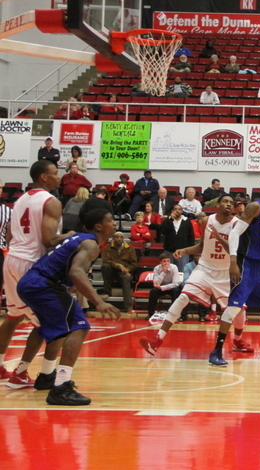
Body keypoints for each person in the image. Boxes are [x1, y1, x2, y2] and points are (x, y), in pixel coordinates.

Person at [16, 209, 120, 404]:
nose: (114, 223)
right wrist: (98, 302)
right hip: (44, 285)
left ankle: (47, 376)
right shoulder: (90, 244)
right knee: (79, 327)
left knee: (55, 329)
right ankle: (61, 387)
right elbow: (76, 272)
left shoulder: (79, 238)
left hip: (31, 282)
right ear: (99, 226)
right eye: (110, 220)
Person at [140, 196, 253, 354]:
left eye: (231, 203)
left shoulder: (236, 224)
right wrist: (184, 250)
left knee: (239, 308)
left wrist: (219, 237)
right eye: (225, 201)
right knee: (183, 297)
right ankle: (157, 340)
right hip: (204, 268)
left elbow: (233, 250)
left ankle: (237, 341)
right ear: (218, 204)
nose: (229, 204)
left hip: (224, 271)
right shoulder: (207, 221)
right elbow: (201, 246)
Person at [0, 161, 74, 389]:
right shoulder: (51, 201)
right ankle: (22, 373)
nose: (59, 177)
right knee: (50, 321)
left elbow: (10, 235)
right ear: (43, 177)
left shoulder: (19, 200)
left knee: (13, 316)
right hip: (31, 263)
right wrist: (72, 236)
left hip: (12, 258)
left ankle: (1, 366)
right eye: (55, 173)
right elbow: (48, 240)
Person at [209, 178, 260, 366]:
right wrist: (233, 261)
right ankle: (216, 351)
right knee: (234, 307)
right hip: (246, 263)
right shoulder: (255, 206)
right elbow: (234, 233)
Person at [100, 231, 137, 312]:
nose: (119, 239)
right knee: (105, 266)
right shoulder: (108, 247)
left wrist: (127, 270)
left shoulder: (130, 248)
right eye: (117, 237)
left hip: (125, 272)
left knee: (125, 278)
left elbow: (134, 263)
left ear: (123, 238)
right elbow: (106, 260)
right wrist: (118, 265)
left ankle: (128, 305)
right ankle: (107, 292)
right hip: (112, 271)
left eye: (121, 237)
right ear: (113, 238)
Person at [159, 204, 196, 272]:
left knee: (182, 271)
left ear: (182, 211)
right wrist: (170, 219)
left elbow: (191, 237)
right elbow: (163, 231)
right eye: (175, 209)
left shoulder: (186, 221)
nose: (177, 211)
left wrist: (189, 251)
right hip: (169, 251)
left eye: (179, 209)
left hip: (183, 252)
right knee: (168, 271)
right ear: (172, 211)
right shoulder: (168, 221)